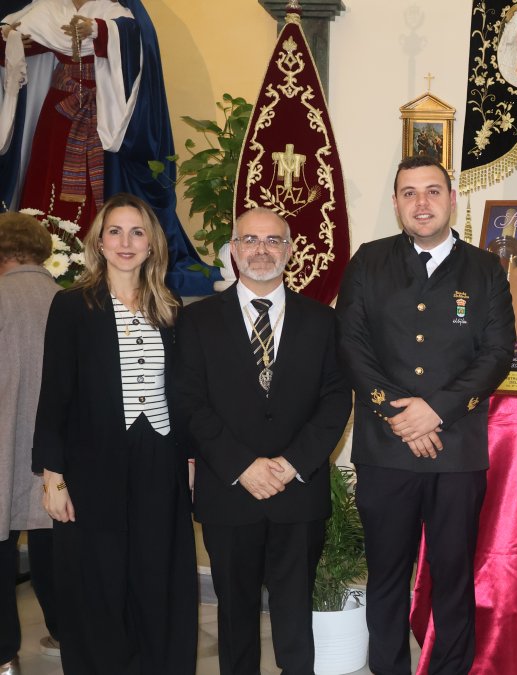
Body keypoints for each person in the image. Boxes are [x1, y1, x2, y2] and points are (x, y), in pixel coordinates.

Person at [336, 156, 515, 675]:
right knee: (386, 575)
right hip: (385, 449)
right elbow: (351, 346)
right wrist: (400, 416)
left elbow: (497, 354)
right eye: (409, 193)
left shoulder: (485, 269)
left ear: (452, 199)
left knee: (453, 575)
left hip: (456, 452)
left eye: (433, 191)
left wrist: (435, 411)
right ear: (395, 203)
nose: (421, 202)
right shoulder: (368, 262)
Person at [175, 208, 351, 675]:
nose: (261, 250)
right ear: (233, 250)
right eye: (250, 240)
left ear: (289, 251)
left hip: (298, 491)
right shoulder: (196, 320)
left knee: (295, 612)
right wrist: (241, 466)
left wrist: (292, 464)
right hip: (229, 491)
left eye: (273, 241)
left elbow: (336, 400)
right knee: (234, 613)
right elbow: (189, 402)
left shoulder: (322, 320)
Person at [32, 192, 196, 674]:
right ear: (99, 243)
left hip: (160, 459)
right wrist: (52, 476)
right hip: (93, 464)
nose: (126, 242)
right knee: (98, 581)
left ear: (152, 245)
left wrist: (189, 460)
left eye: (137, 232)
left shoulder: (170, 307)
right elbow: (54, 394)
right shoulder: (71, 306)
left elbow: (183, 392)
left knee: (156, 575)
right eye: (116, 232)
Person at [0, 0, 214, 295]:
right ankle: (46, 258)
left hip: (103, 117)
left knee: (99, 185)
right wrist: (10, 37)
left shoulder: (116, 13)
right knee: (49, 177)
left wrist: (99, 30)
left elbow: (135, 43)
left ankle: (95, 262)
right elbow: (16, 40)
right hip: (58, 115)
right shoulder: (47, 9)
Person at [0, 212, 60, 673]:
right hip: (55, 453)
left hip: (4, 443)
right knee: (53, 544)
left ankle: (5, 657)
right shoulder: (70, 299)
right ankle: (65, 632)